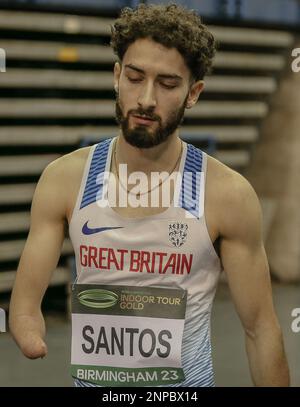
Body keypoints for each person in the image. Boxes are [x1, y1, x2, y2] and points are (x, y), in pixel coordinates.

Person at [9, 3, 290, 387]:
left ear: (193, 93)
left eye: (168, 84)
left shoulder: (227, 196)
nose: (146, 99)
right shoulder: (65, 180)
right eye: (135, 77)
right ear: (116, 76)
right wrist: (28, 330)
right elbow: (25, 304)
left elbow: (260, 329)